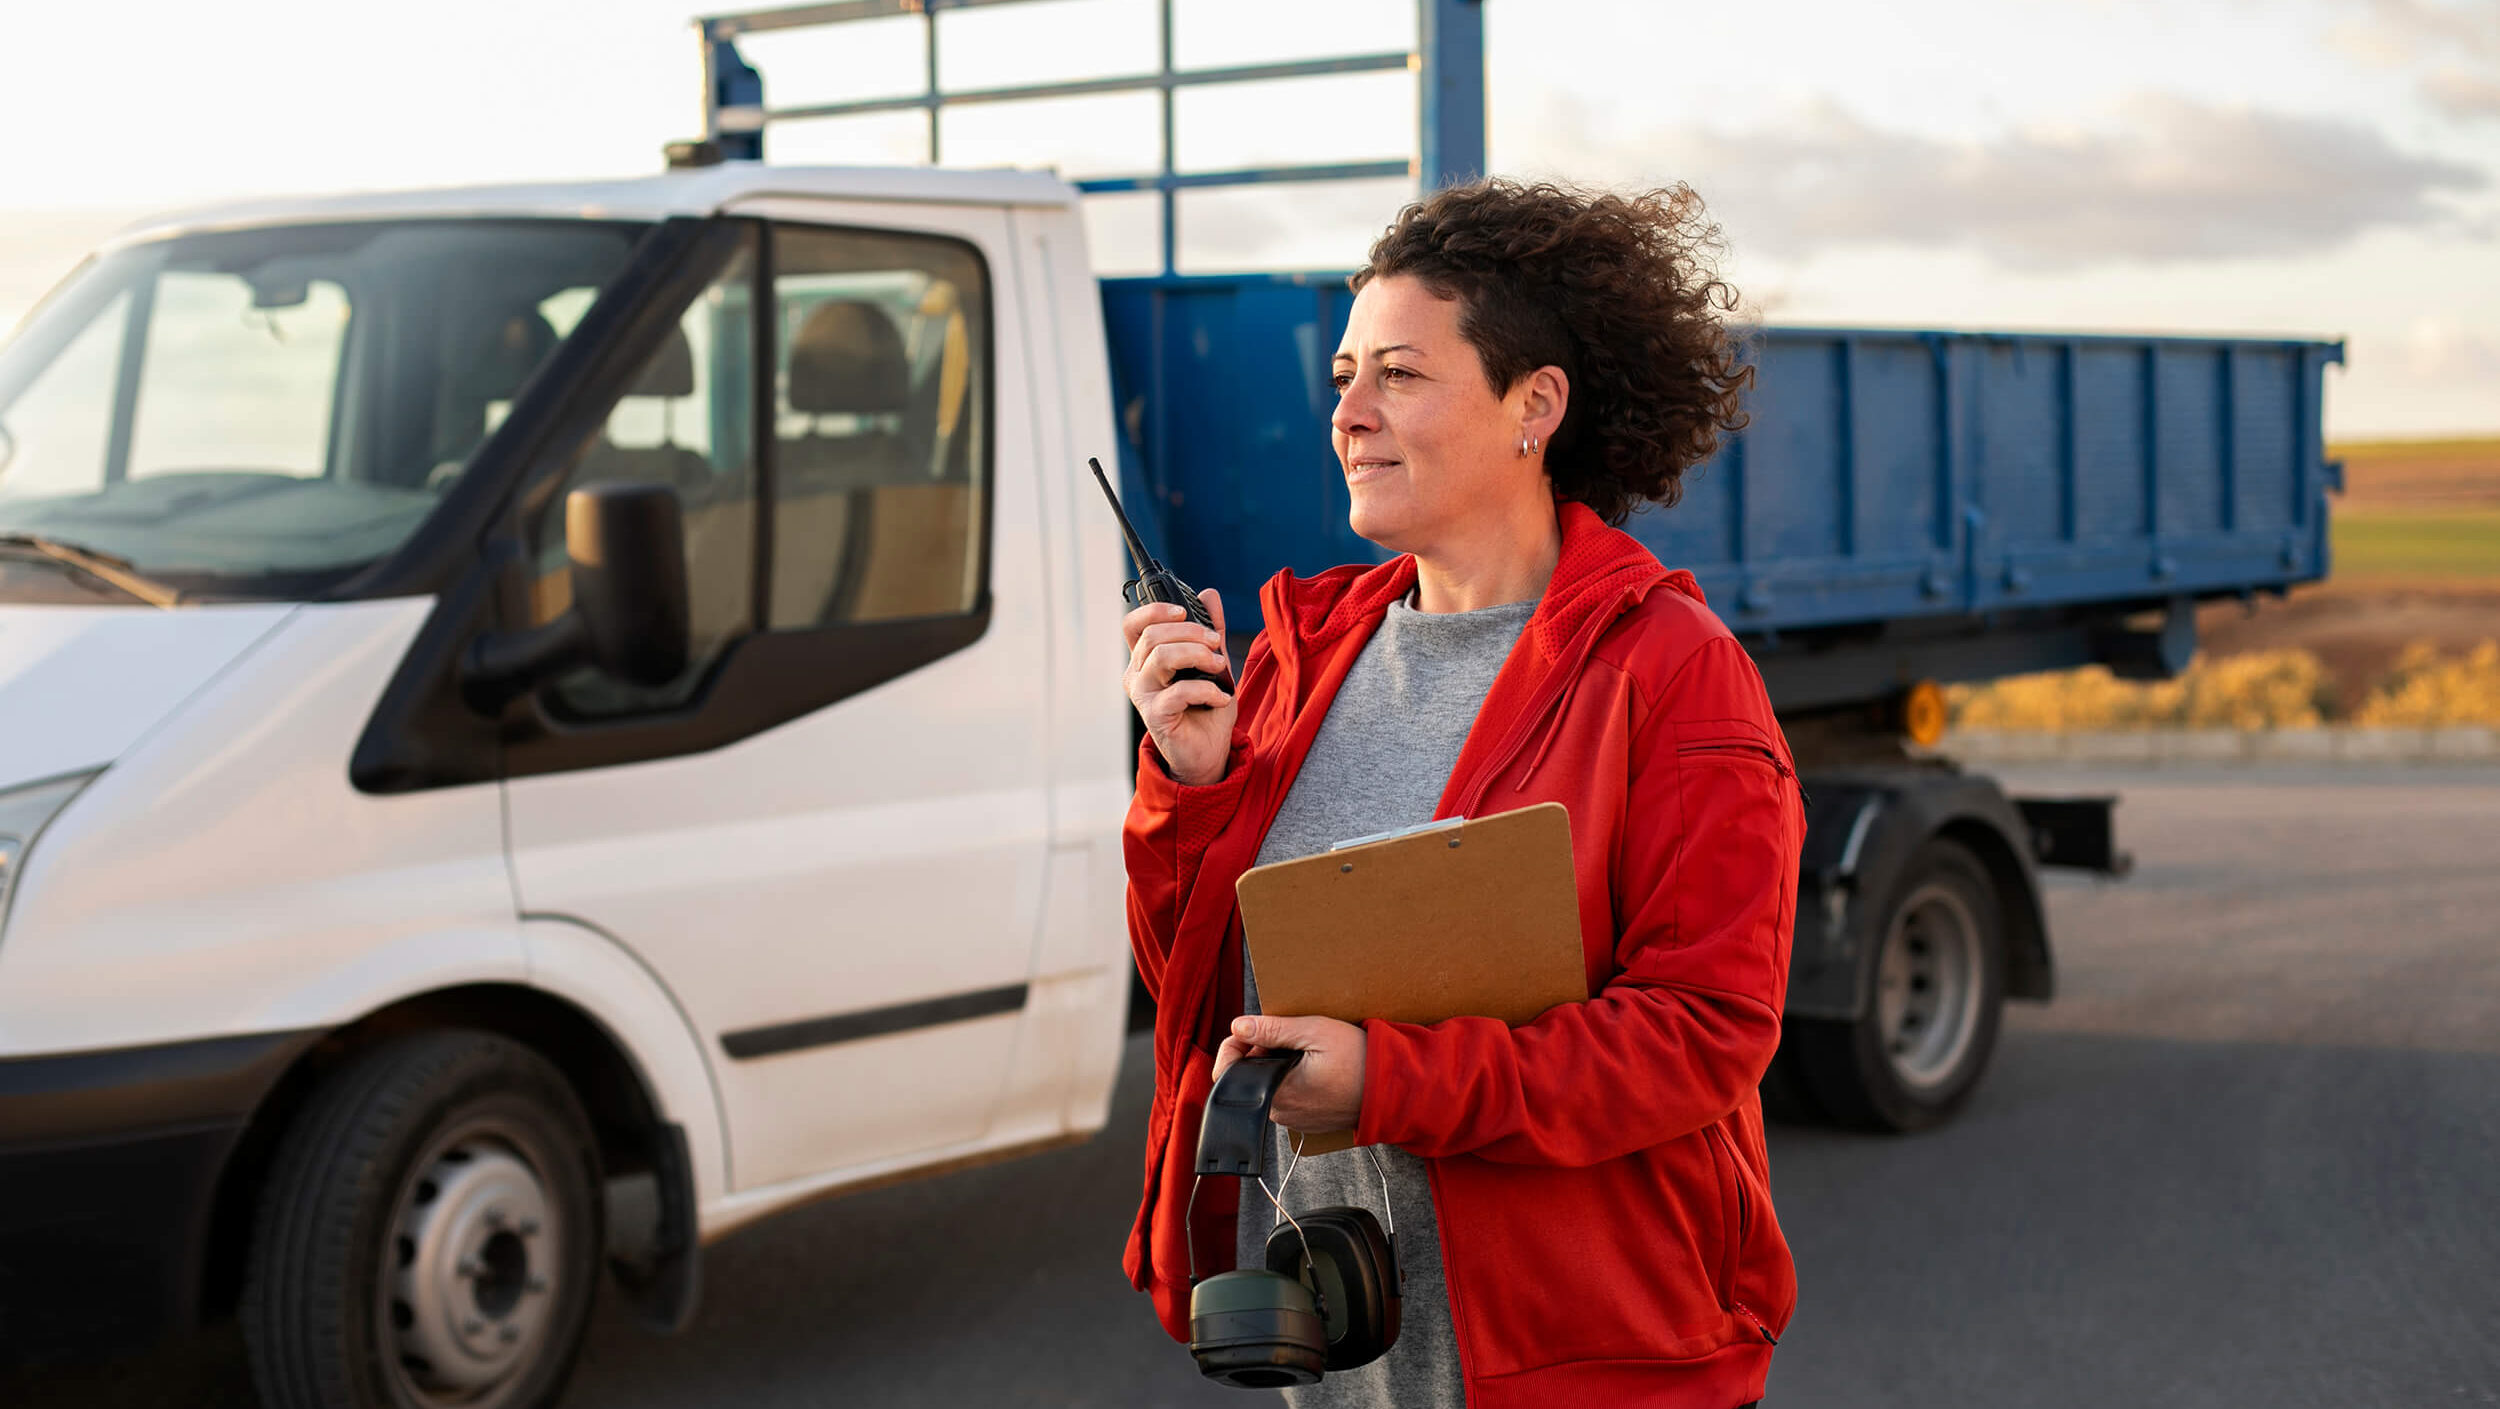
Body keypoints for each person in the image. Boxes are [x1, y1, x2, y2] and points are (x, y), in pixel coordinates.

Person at [1120, 179, 1805, 1408]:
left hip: (1583, 1359)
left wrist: (1390, 1080)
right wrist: (1194, 784)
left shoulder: (1669, 670)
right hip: (1348, 1352)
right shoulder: (1297, 656)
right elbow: (1196, 986)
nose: (1349, 412)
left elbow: (1703, 1031)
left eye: (1400, 375)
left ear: (1533, 403)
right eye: (1344, 375)